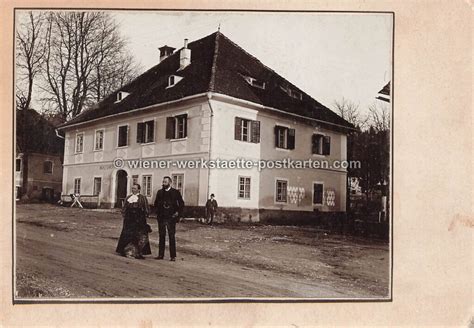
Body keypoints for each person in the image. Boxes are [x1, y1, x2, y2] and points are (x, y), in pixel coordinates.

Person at [116, 184, 152, 259]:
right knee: (127, 234)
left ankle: (139, 252)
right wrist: (124, 215)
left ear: (139, 189)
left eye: (135, 188)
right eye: (132, 188)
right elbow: (124, 208)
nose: (133, 190)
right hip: (129, 219)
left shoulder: (142, 198)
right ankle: (125, 251)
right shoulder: (128, 198)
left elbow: (146, 208)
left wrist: (145, 216)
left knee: (139, 236)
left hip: (139, 219)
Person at [153, 176, 184, 261]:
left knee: (171, 236)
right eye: (163, 182)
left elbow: (181, 204)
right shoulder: (159, 192)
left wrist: (178, 213)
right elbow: (156, 204)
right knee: (161, 236)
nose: (163, 183)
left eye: (165, 182)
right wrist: (158, 212)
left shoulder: (175, 192)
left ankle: (172, 256)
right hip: (162, 218)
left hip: (171, 218)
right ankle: (160, 255)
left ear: (170, 183)